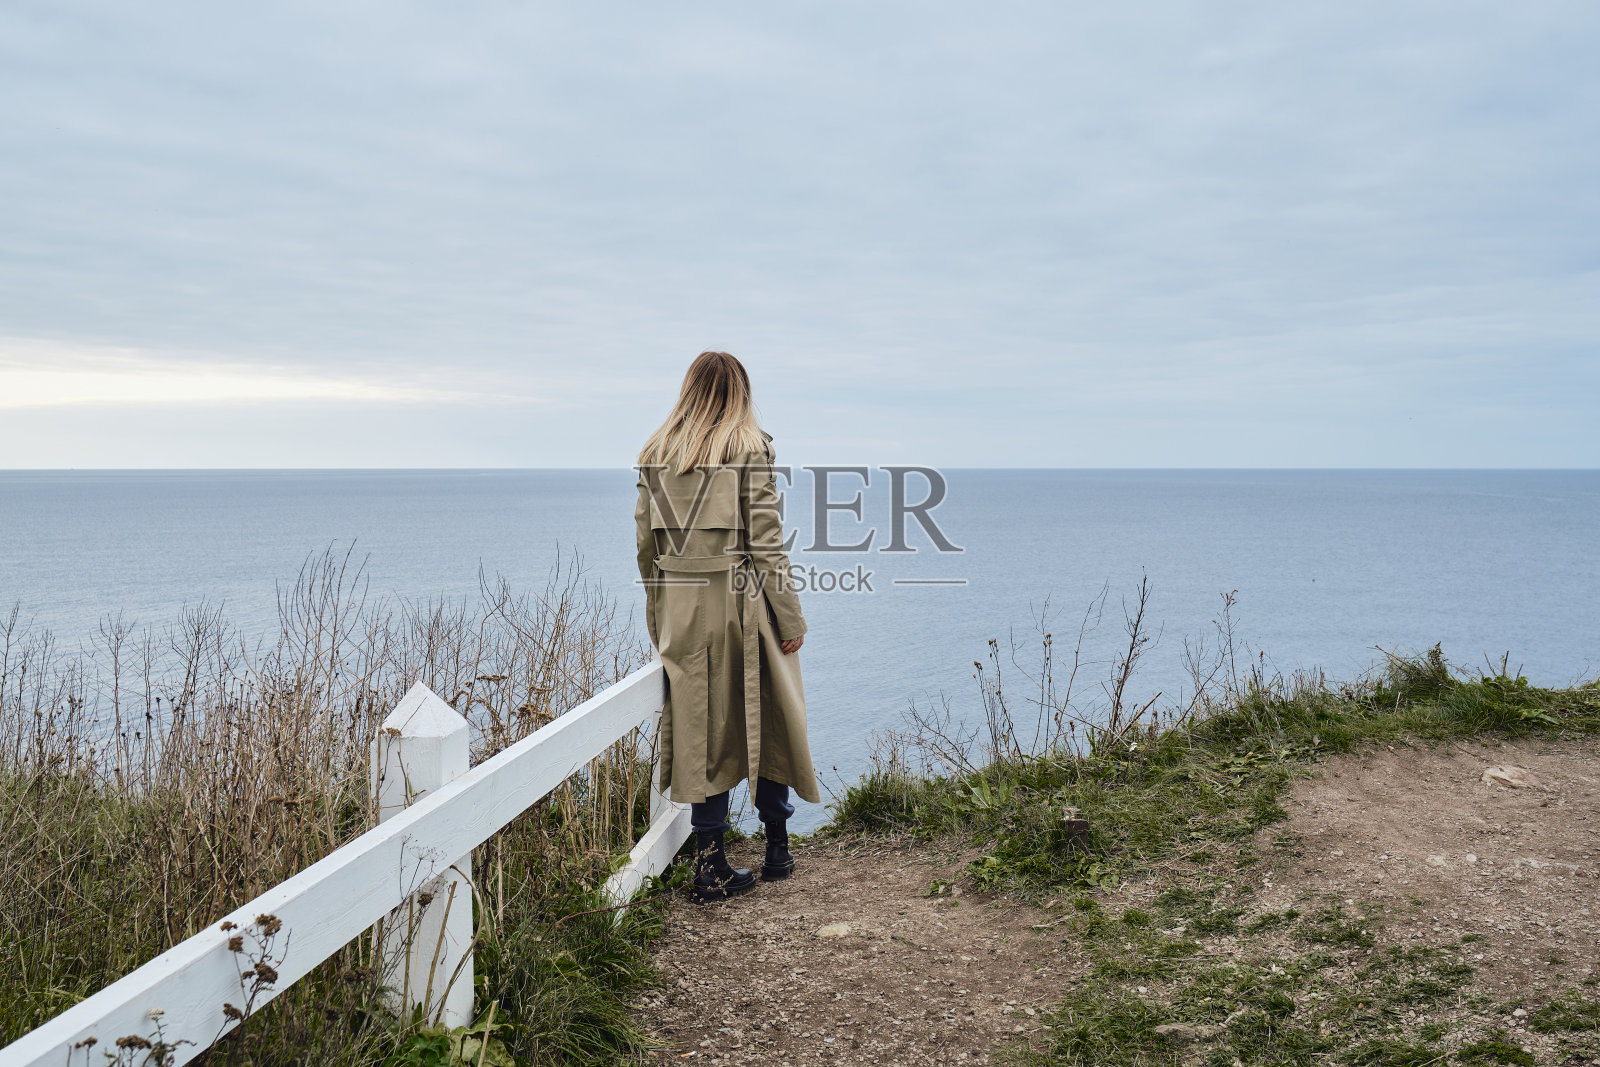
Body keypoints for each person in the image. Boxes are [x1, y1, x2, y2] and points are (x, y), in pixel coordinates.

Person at [634, 351, 820, 903]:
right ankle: (777, 846)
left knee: (700, 728)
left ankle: (709, 861)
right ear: (738, 391)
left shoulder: (655, 452)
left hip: (682, 609)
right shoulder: (748, 447)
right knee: (771, 714)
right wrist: (790, 618)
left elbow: (646, 549)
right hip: (742, 604)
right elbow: (766, 542)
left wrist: (660, 620)